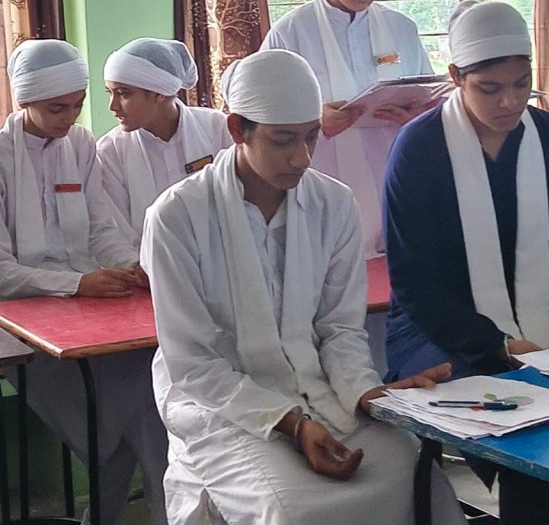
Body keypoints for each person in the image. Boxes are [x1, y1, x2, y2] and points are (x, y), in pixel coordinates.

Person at [140, 49, 465, 525]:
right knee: (290, 510)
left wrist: (366, 393)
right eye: (283, 140)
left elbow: (339, 329)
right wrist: (290, 423)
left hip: (322, 391)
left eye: (311, 136)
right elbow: (192, 363)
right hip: (225, 409)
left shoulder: (334, 203)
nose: (302, 157)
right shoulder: (176, 217)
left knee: (417, 474)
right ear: (238, 130)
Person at [384, 2, 549, 525]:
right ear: (456, 77)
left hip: (541, 308)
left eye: (521, 84)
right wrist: (498, 345)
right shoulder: (419, 149)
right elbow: (415, 283)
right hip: (438, 326)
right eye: (489, 88)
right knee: (530, 431)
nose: (510, 101)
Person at [0, 39, 168, 525]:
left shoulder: (80, 144)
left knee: (144, 394)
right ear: (25, 100)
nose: (69, 118)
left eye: (77, 105)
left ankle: (144, 511)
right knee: (115, 428)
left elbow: (100, 228)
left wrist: (134, 266)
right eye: (57, 108)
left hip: (87, 308)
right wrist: (77, 283)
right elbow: (3, 272)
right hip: (19, 321)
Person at [261, 0, 433, 257]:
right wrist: (313, 121)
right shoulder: (292, 32)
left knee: (392, 266)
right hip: (321, 177)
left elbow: (429, 96)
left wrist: (416, 116)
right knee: (329, 264)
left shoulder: (401, 28)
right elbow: (259, 116)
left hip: (393, 173)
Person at [98, 37, 232, 244]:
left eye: (123, 94)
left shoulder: (216, 127)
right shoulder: (110, 151)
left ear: (159, 94)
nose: (112, 106)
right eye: (110, 93)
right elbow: (118, 231)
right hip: (146, 259)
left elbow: (236, 200)